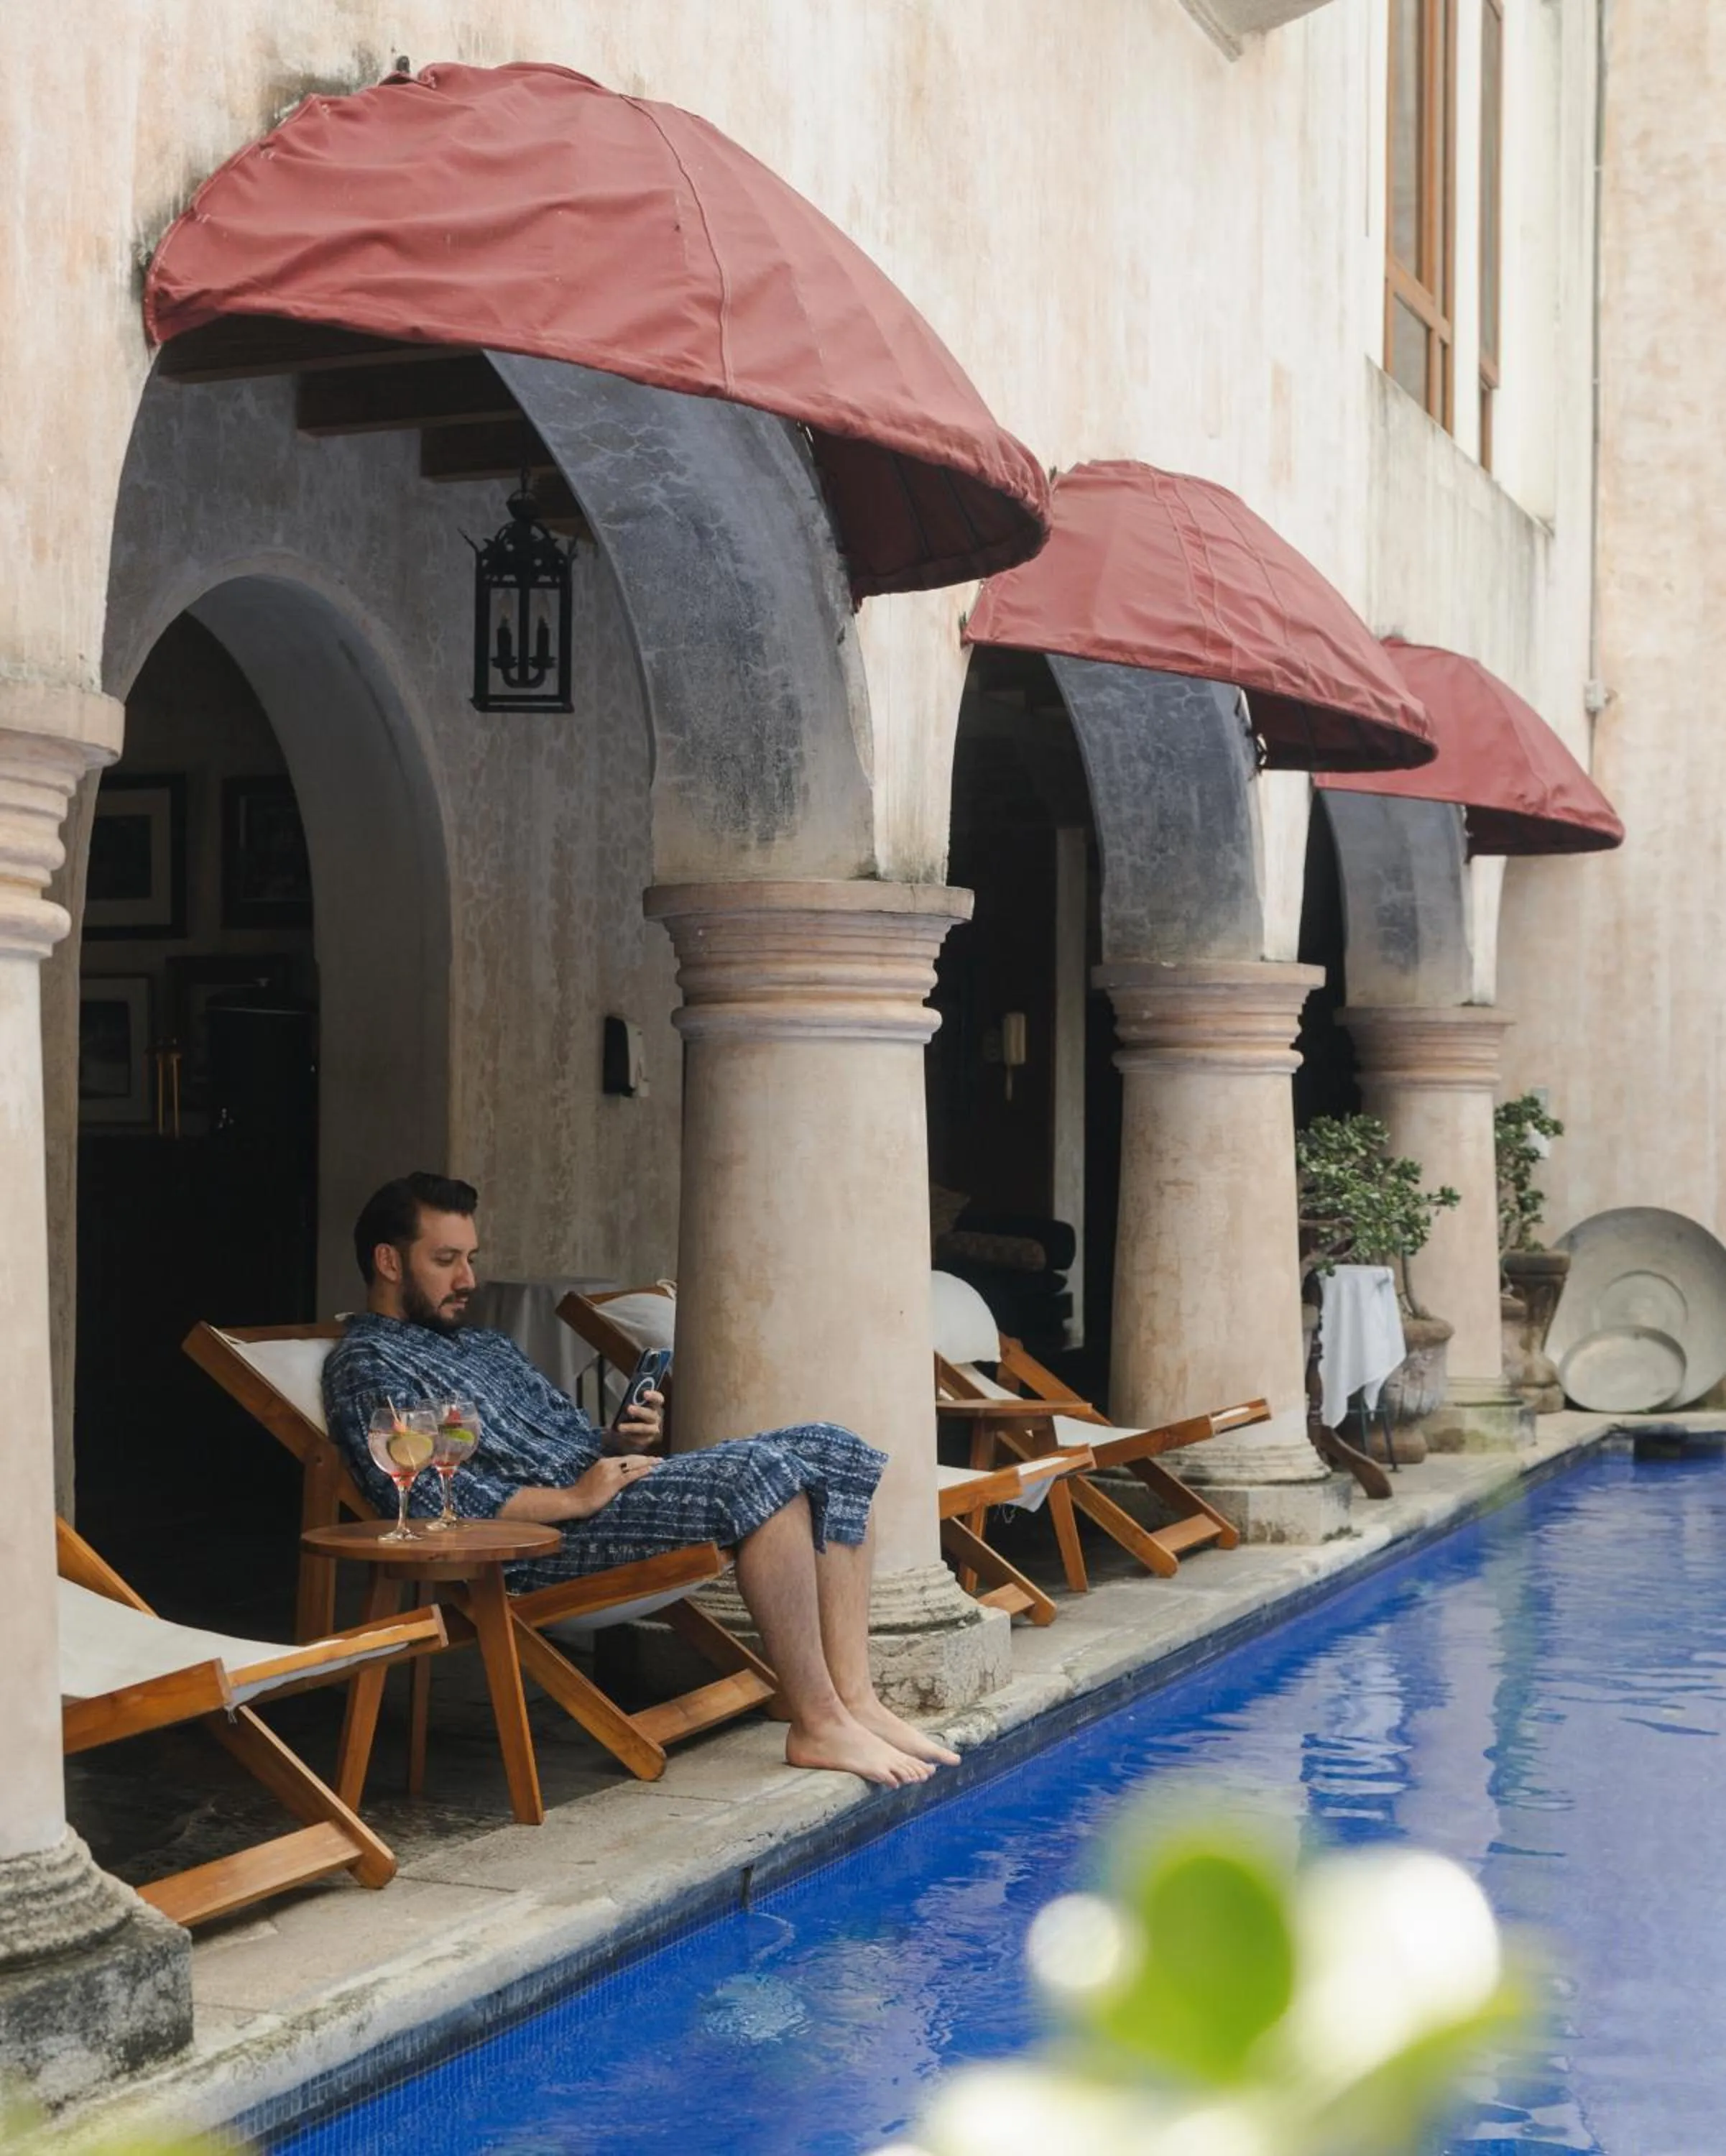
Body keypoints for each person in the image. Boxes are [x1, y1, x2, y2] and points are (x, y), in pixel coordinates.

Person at [323, 1172, 959, 1789]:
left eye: (470, 1258)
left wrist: (617, 1441)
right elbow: (428, 1500)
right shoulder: (369, 1363)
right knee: (763, 1474)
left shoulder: (484, 1345)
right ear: (388, 1261)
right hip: (537, 1546)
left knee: (833, 1447)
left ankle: (856, 1699)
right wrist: (574, 1498)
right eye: (446, 1260)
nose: (468, 1279)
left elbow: (568, 1433)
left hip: (603, 1500)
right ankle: (817, 1723)